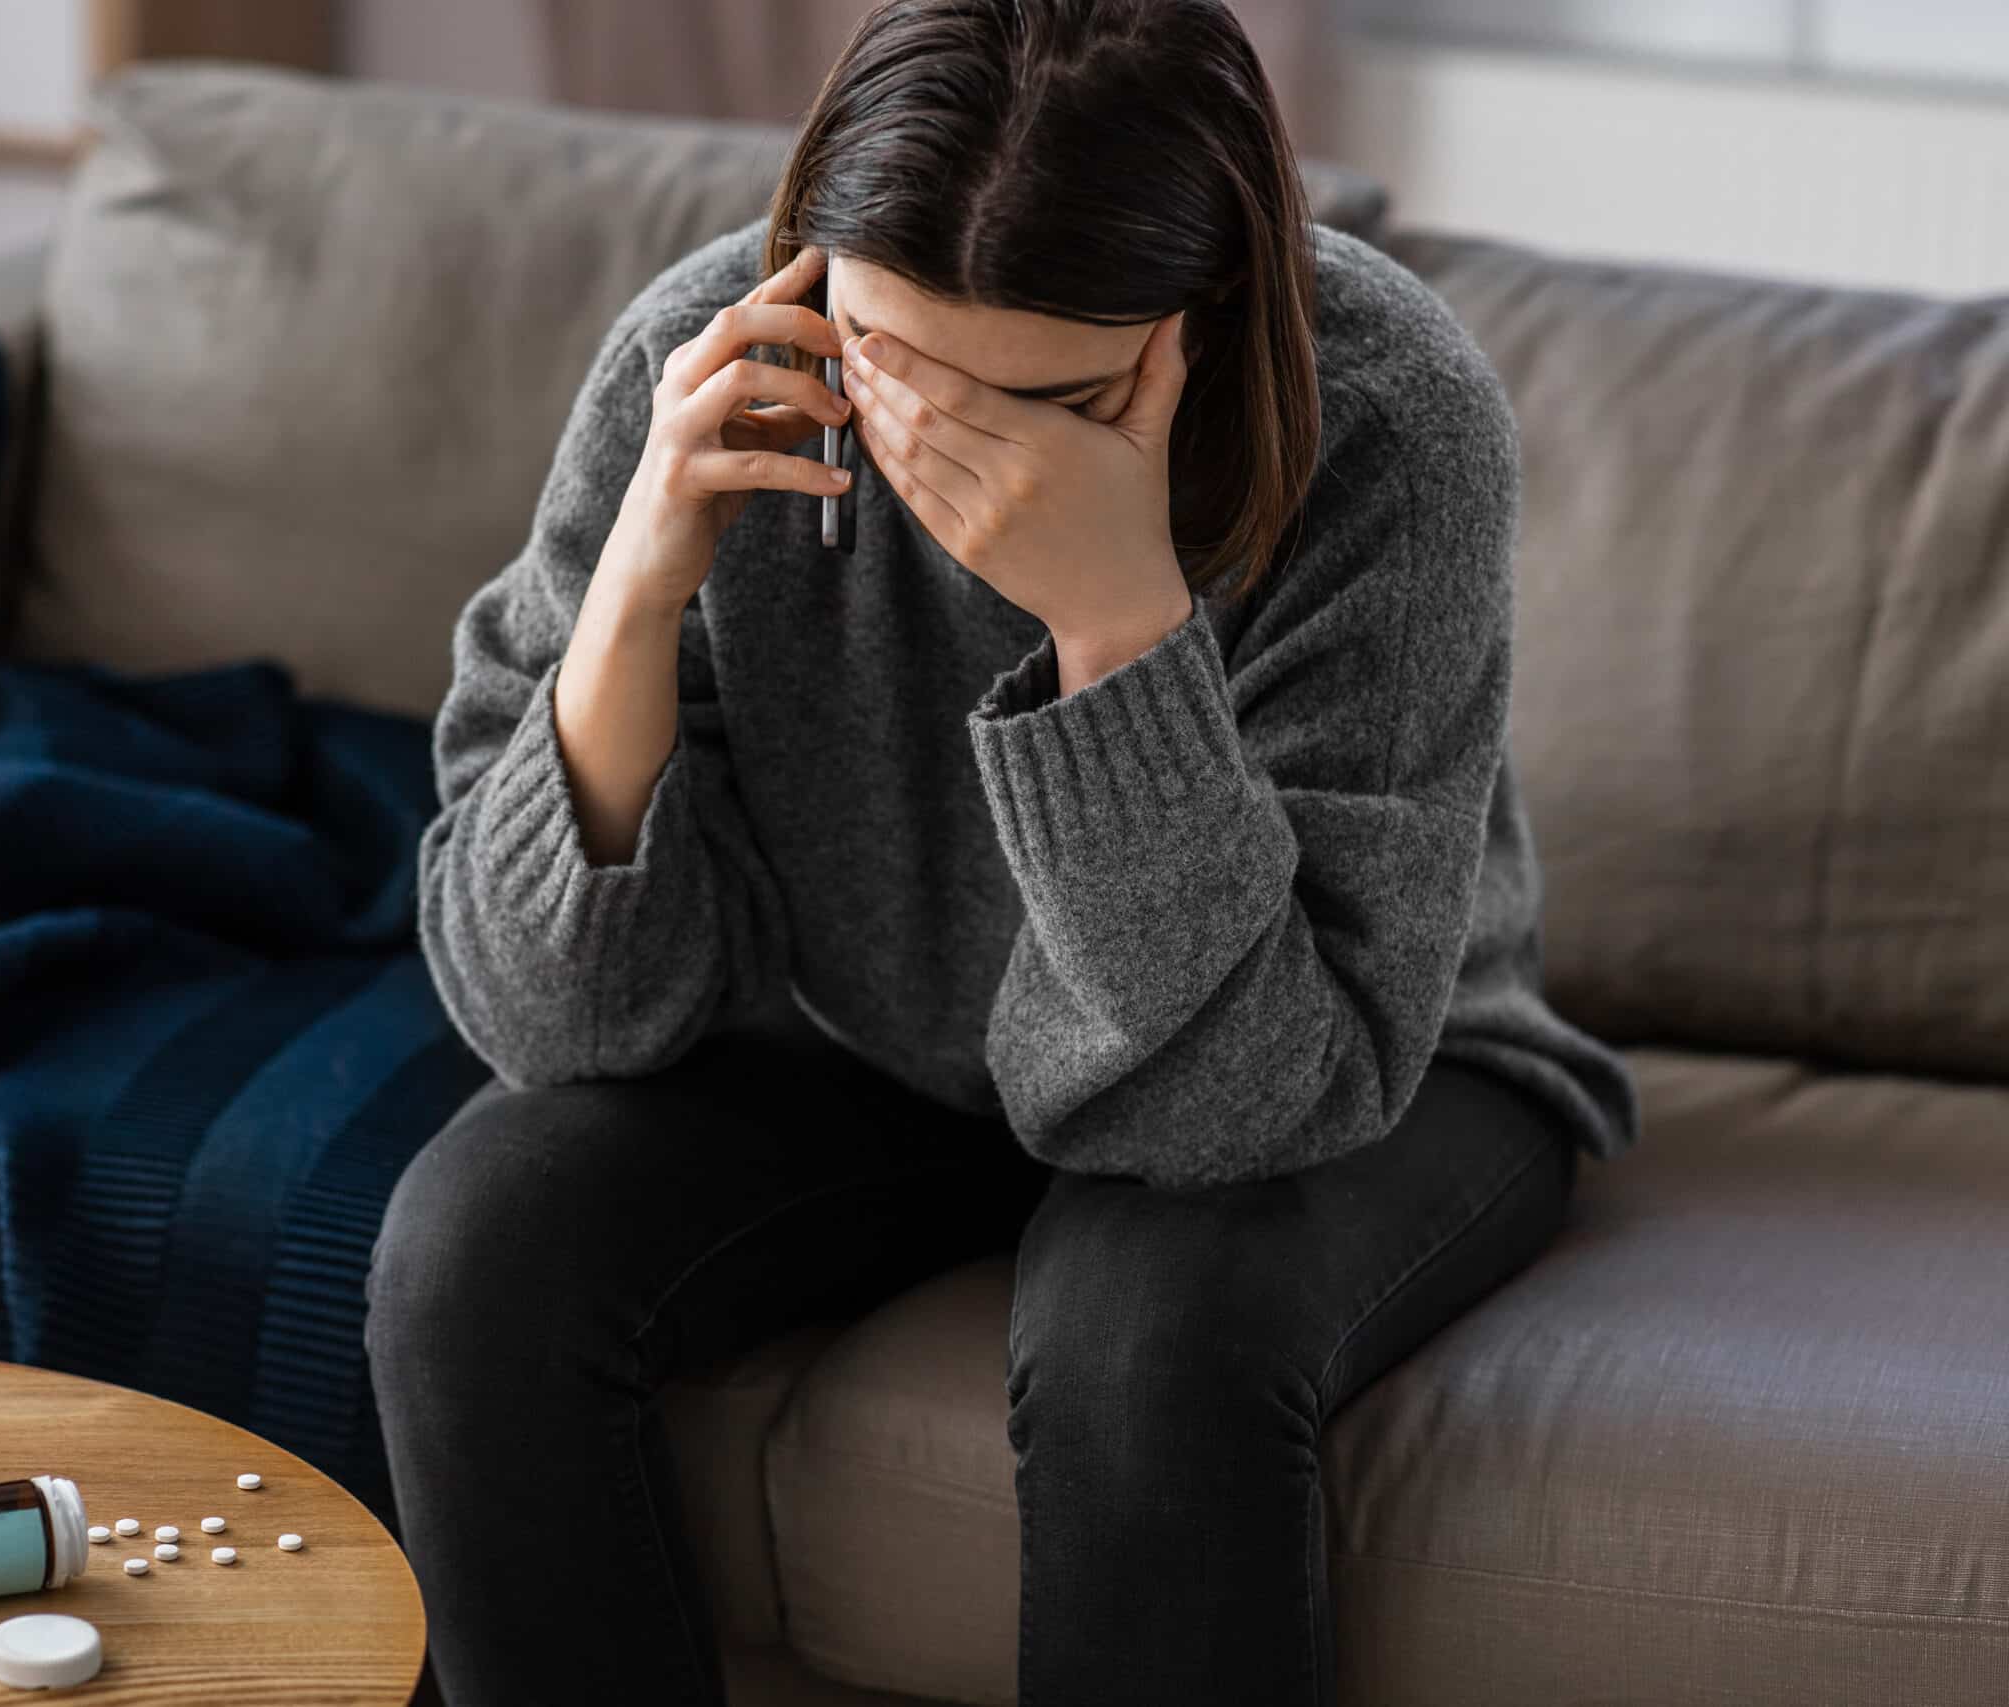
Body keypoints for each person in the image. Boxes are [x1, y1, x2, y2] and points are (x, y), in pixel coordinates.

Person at [366, 1, 1642, 1701]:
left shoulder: (1394, 421)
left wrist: (1115, 617)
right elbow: (553, 1021)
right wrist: (634, 595)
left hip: (1356, 1055)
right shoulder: (713, 350)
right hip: (880, 1037)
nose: (946, 463)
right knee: (474, 1247)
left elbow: (1247, 1103)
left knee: (1148, 1342)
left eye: (1061, 399)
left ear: (1216, 310)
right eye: (896, 370)